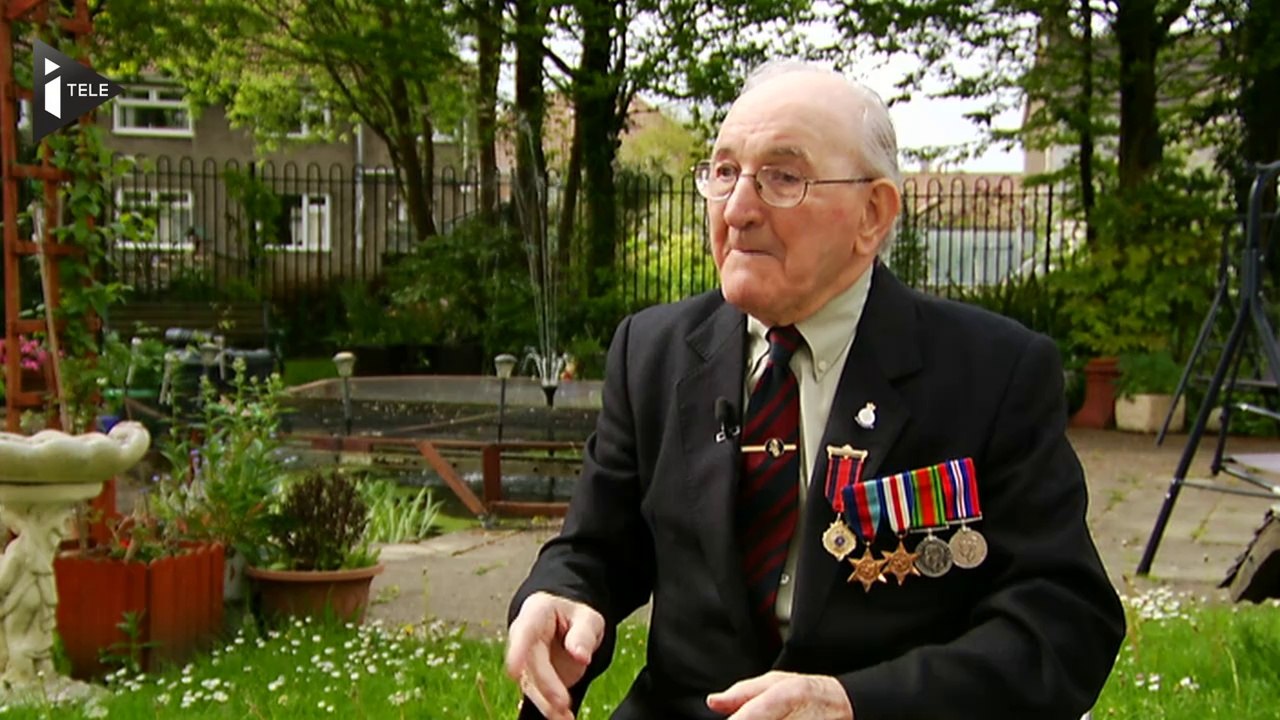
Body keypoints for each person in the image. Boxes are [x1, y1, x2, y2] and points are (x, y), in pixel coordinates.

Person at [505, 61, 1125, 720]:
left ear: (872, 214)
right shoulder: (652, 353)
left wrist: (854, 703)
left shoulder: (993, 374)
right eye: (723, 173)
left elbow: (1065, 622)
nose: (738, 210)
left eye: (782, 177)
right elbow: (596, 549)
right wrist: (559, 596)